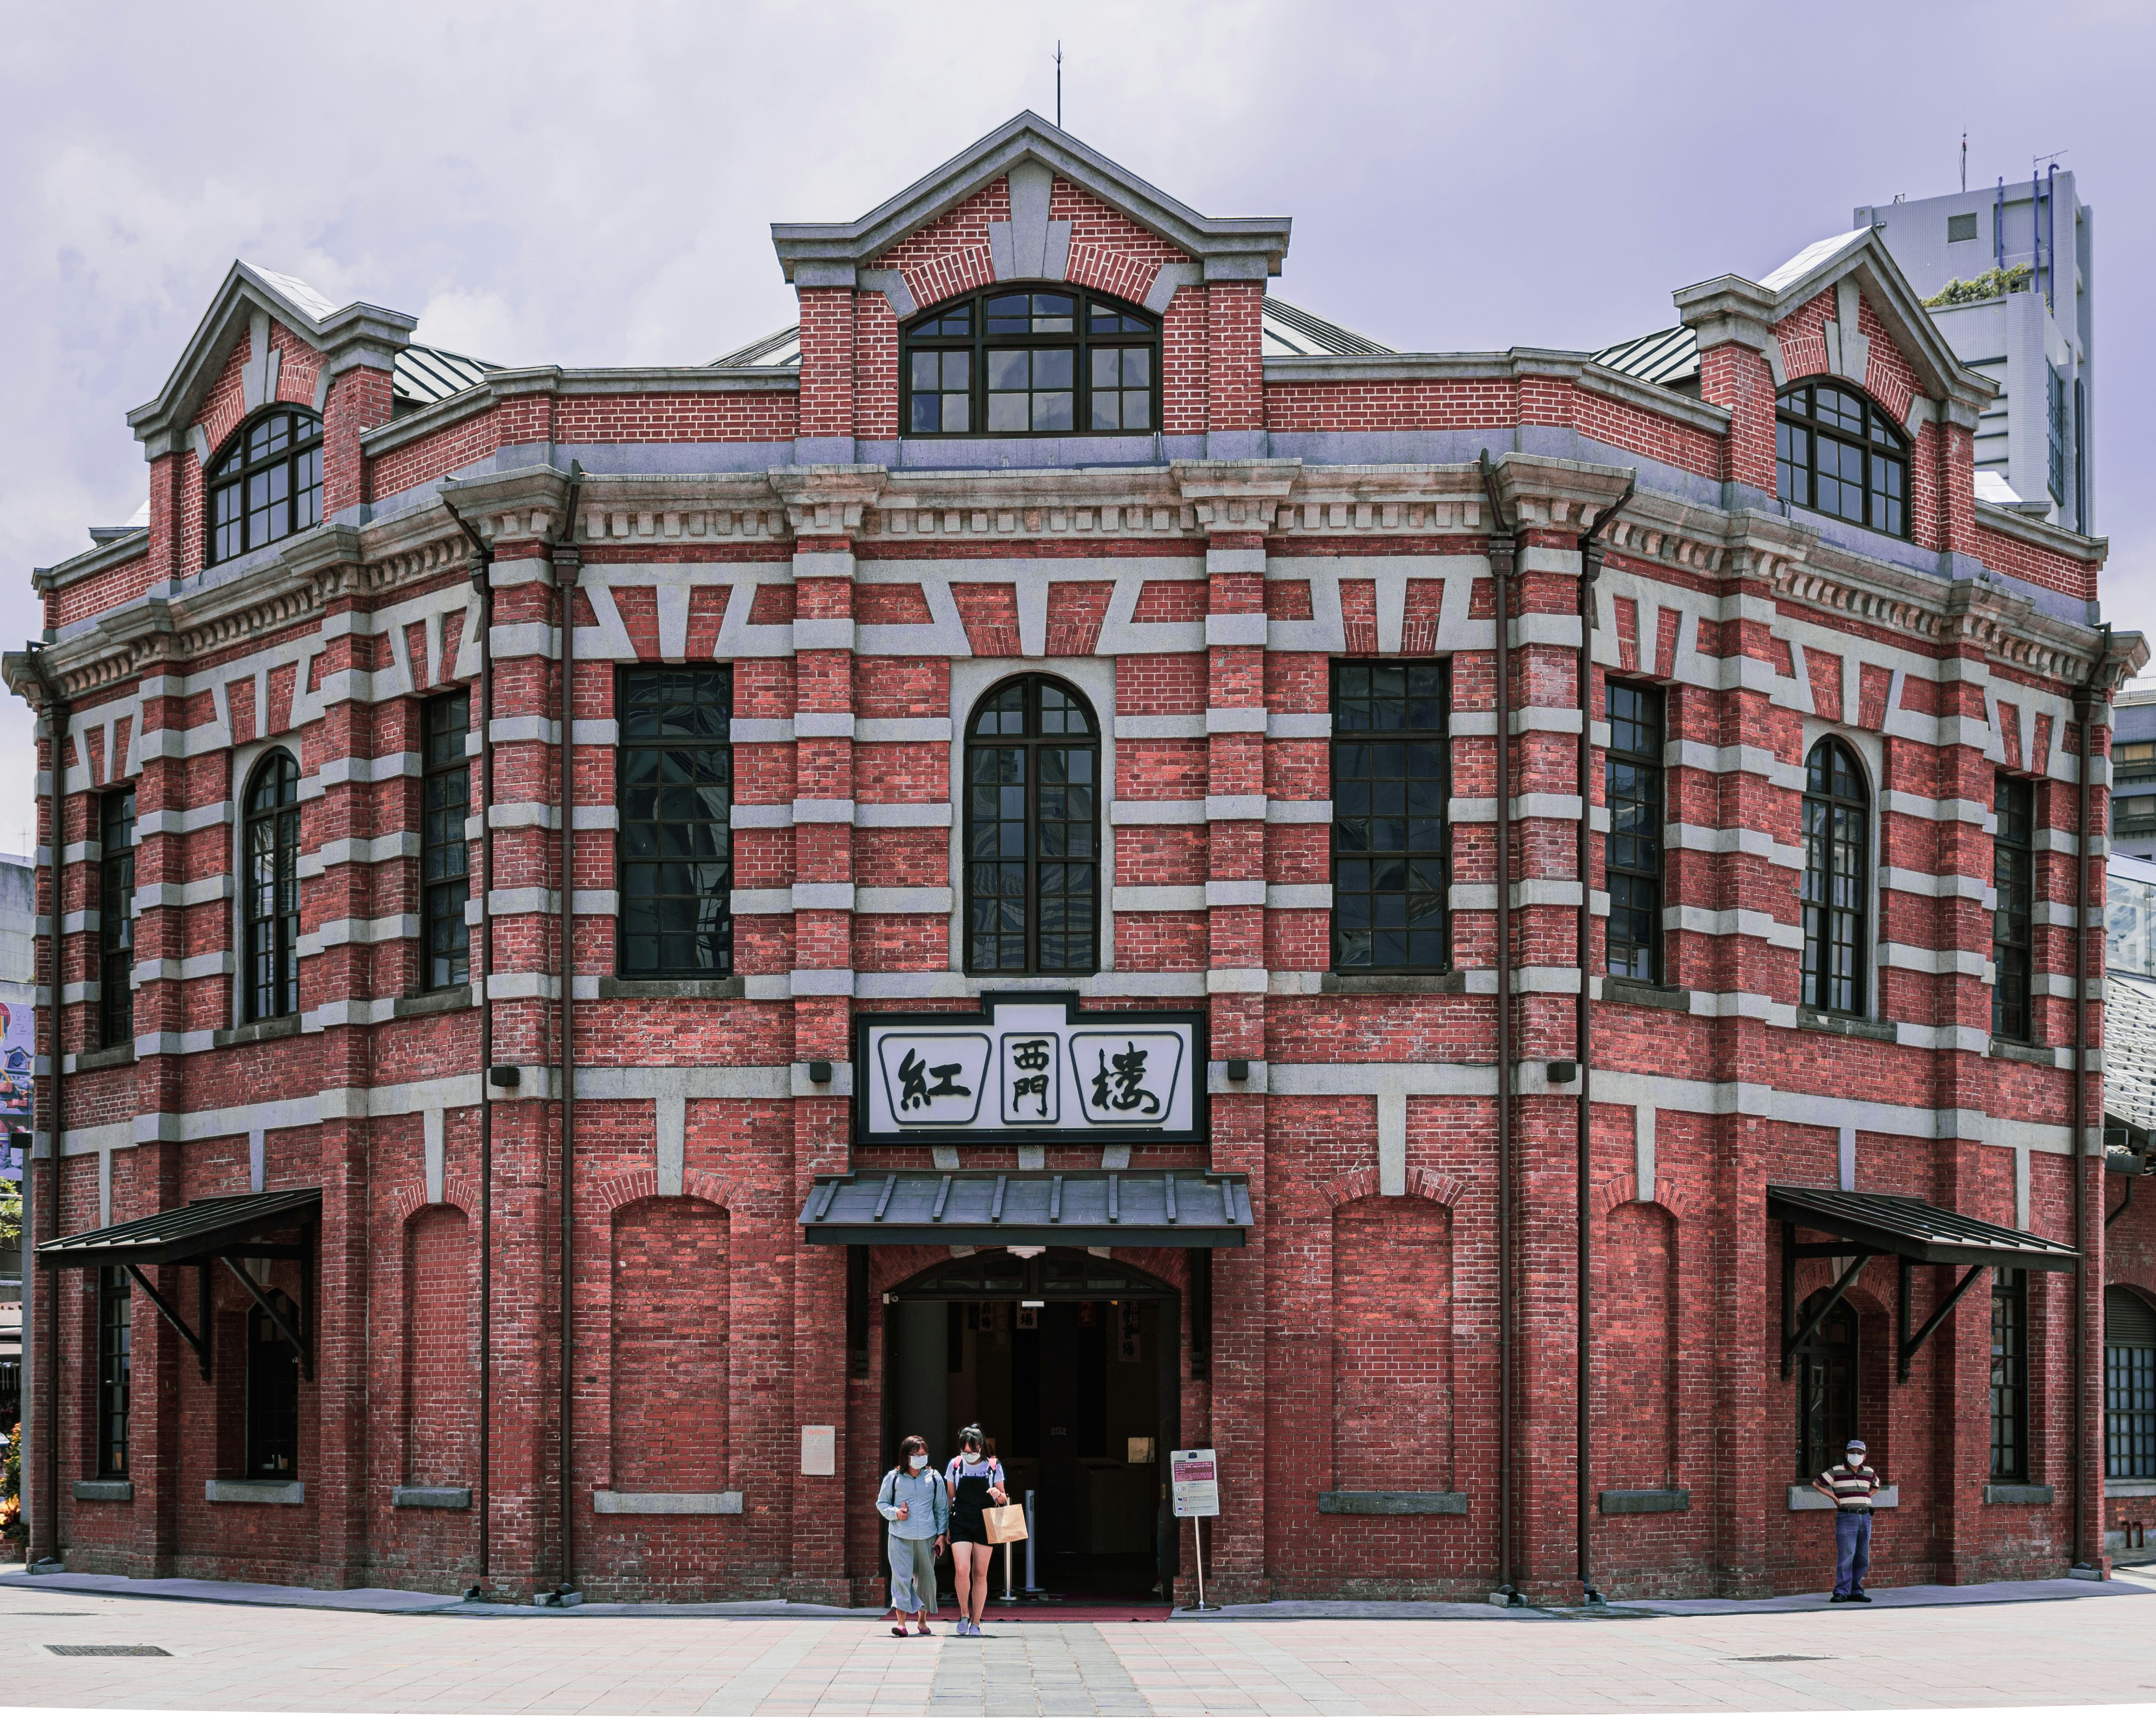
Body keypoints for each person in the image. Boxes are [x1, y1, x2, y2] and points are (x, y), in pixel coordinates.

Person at [876, 1434, 948, 1636]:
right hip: (900, 1537)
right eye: (916, 1454)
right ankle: (901, 1623)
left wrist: (941, 1536)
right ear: (906, 1456)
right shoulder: (894, 1478)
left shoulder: (934, 1478)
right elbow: (882, 1504)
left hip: (927, 1537)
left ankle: (922, 1620)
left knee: (927, 1580)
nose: (921, 1457)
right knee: (902, 1579)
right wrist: (897, 1514)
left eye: (924, 1454)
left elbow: (941, 1509)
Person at [944, 1424, 1007, 1637]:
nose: (968, 1454)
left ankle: (977, 1622)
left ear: (980, 1446)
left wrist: (995, 1493)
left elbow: (1004, 1498)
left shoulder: (993, 1465)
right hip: (960, 1520)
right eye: (964, 1450)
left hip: (985, 1522)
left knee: (980, 1573)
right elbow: (950, 1498)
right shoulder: (955, 1465)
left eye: (972, 1450)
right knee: (962, 1569)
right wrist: (947, 1528)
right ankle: (963, 1613)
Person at [1814, 1436, 1881, 1602]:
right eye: (1852, 1452)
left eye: (1860, 1453)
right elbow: (1817, 1483)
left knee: (1863, 1557)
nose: (1856, 1455)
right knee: (1847, 1555)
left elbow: (1877, 1485)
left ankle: (1856, 1591)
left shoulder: (1869, 1472)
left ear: (1865, 1456)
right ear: (1846, 1454)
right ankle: (1841, 1592)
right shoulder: (1836, 1471)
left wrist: (1867, 1497)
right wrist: (1833, 1498)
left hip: (1865, 1517)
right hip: (1847, 1516)